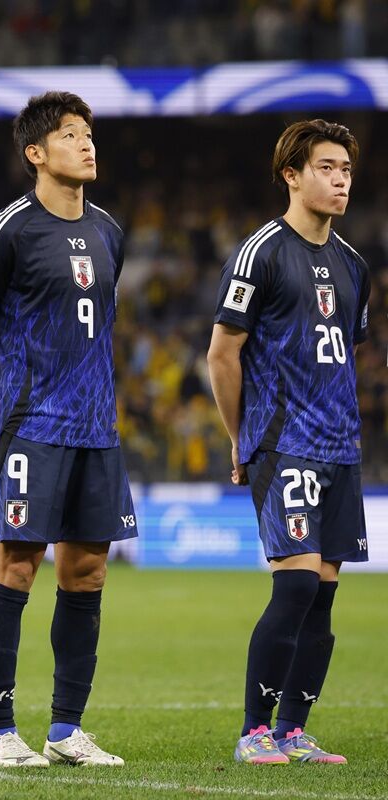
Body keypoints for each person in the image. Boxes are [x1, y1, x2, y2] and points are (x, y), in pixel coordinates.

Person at [0, 91, 134, 768]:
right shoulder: (9, 230)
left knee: (87, 572)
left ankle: (66, 730)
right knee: (18, 566)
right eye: (70, 135)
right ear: (36, 153)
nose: (86, 144)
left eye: (89, 134)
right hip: (34, 426)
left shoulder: (109, 231)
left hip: (96, 429)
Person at [207, 119, 366, 766]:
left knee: (323, 594)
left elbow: (342, 353)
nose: (340, 180)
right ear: (291, 175)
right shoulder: (261, 254)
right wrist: (240, 437)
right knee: (295, 586)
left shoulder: (354, 265)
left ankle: (294, 731)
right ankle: (255, 730)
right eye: (326, 168)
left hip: (341, 448)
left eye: (346, 170)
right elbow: (222, 353)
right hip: (284, 442)